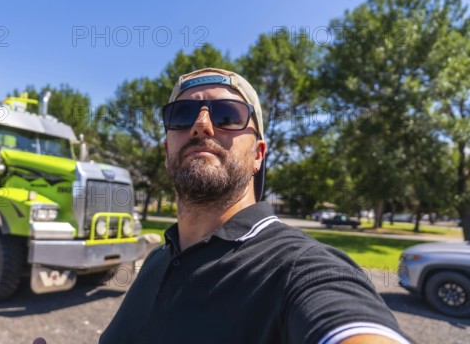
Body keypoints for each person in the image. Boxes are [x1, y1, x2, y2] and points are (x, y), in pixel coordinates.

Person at [100, 68, 411, 344]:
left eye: (228, 115)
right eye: (182, 114)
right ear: (167, 149)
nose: (201, 125)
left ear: (258, 155)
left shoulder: (296, 268)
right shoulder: (158, 258)